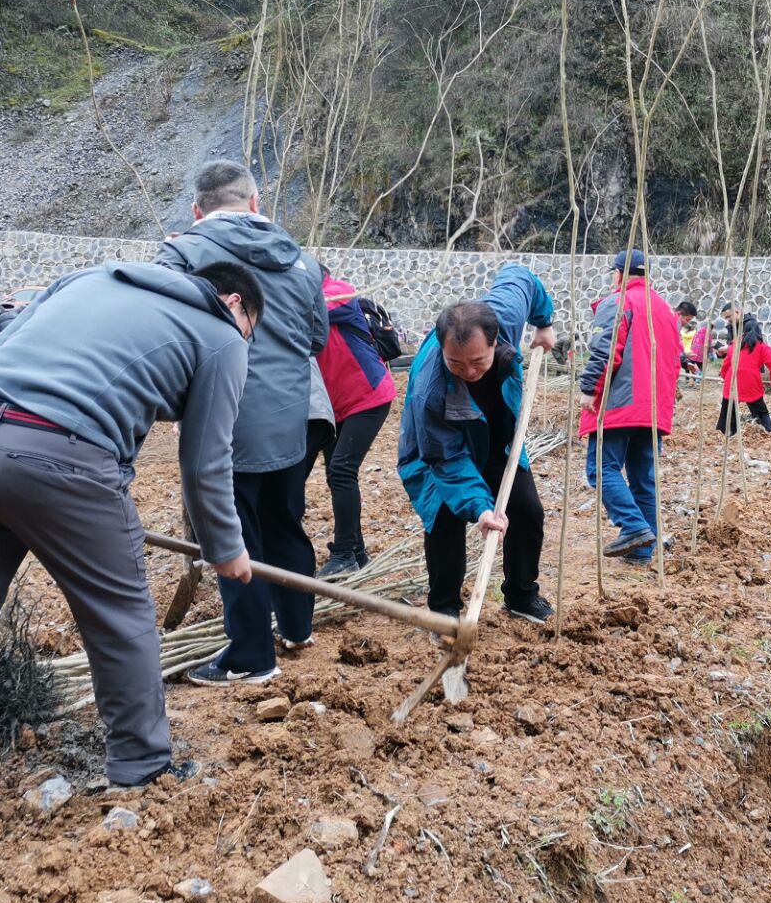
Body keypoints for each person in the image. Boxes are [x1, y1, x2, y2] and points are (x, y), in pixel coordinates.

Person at [0, 259, 261, 840]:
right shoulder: (224, 335)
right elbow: (205, 463)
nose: (248, 344)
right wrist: (225, 548)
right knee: (120, 617)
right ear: (236, 304)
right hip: (62, 457)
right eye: (252, 332)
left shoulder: (92, 279)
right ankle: (142, 767)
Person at [156, 161, 329, 688]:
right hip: (290, 418)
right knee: (285, 522)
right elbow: (317, 339)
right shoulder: (302, 261)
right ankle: (297, 628)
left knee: (234, 537)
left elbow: (164, 338)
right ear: (255, 203)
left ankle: (252, 656)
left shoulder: (180, 255)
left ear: (197, 211)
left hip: (223, 420)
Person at [399, 264, 558, 623]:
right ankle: (444, 611)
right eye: (456, 363)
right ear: (441, 347)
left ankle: (521, 596)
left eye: (477, 361)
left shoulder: (503, 316)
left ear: (495, 340)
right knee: (445, 517)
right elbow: (448, 460)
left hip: (497, 436)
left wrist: (544, 323)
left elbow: (521, 277)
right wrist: (482, 509)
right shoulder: (430, 390)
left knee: (527, 510)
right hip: (438, 450)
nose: (469, 372)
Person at [580, 250, 682, 564]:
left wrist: (589, 388)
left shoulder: (618, 302)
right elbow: (675, 361)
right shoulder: (666, 310)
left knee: (601, 469)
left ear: (619, 274)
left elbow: (605, 350)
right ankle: (641, 553)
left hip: (621, 402)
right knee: (643, 479)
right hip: (654, 407)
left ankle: (634, 526)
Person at [316, 272, 398, 575]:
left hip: (369, 397)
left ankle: (343, 556)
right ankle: (356, 553)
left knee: (341, 470)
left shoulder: (338, 293)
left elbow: (309, 310)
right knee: (336, 473)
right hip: (337, 406)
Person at [717, 312, 771, 435]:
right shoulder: (762, 346)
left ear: (742, 331)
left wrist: (725, 377)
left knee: (728, 412)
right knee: (761, 411)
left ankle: (727, 434)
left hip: (732, 382)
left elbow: (726, 364)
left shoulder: (734, 344)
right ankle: (767, 431)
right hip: (751, 383)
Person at [676, 301, 709, 376]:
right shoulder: (672, 327)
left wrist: (684, 360)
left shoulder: (679, 331)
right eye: (687, 319)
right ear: (678, 314)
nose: (687, 323)